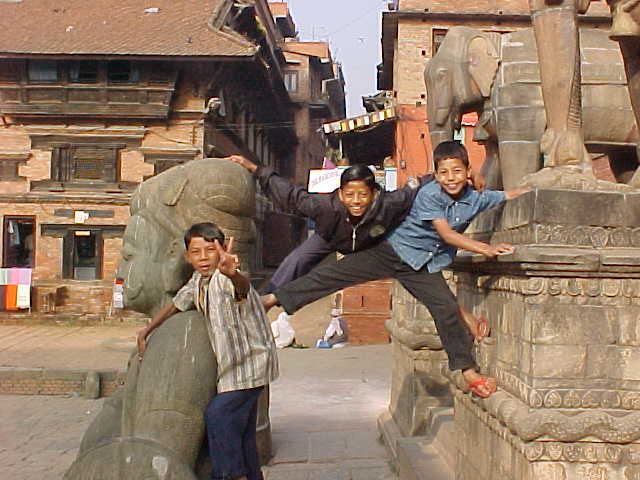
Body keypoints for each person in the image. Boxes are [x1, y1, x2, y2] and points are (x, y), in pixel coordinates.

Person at [262, 141, 529, 398]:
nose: (451, 178)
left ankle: (468, 371)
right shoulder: (429, 195)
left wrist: (534, 190)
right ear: (435, 175)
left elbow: (507, 195)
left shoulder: (476, 199)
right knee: (333, 275)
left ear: (469, 172)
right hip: (392, 251)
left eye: (458, 171)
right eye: (444, 172)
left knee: (445, 310)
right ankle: (274, 298)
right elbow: (446, 234)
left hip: (422, 265)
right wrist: (485, 249)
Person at [227, 155, 489, 341]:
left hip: (376, 247)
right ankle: (266, 301)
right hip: (331, 237)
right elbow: (289, 193)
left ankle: (466, 320)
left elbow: (418, 185)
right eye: (349, 195)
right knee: (298, 260)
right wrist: (254, 168)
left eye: (362, 195)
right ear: (340, 194)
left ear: (374, 193)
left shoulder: (390, 202)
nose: (356, 201)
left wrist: (465, 175)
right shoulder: (323, 207)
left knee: (426, 283)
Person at [137, 222, 278, 480]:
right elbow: (177, 303)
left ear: (222, 251)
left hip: (250, 364)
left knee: (218, 416)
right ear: (187, 256)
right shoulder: (198, 280)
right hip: (231, 370)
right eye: (196, 252)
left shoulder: (225, 278)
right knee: (242, 432)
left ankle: (230, 475)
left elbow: (242, 287)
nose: (203, 258)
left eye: (209, 251)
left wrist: (233, 274)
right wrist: (147, 329)